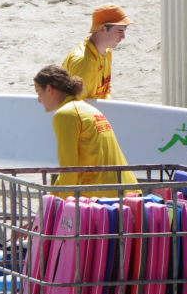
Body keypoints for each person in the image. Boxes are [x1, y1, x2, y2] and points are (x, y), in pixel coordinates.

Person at [34, 65, 138, 197]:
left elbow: (69, 169)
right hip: (127, 192)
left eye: (38, 92)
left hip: (102, 199)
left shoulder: (65, 114)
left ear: (49, 89)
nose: (38, 99)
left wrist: (56, 209)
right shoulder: (86, 109)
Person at [61, 4, 132, 100]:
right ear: (102, 30)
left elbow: (105, 89)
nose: (123, 37)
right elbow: (74, 105)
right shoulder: (84, 61)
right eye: (119, 31)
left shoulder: (107, 51)